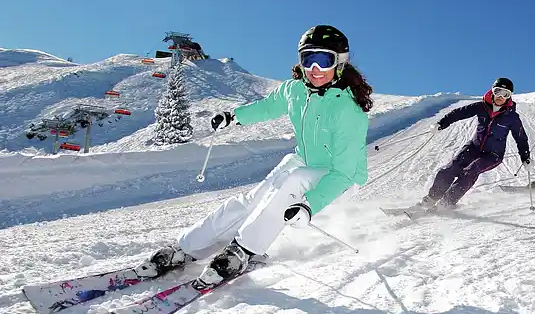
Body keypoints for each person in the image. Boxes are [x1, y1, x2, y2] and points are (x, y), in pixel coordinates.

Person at [135, 25, 373, 288]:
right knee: (252, 199)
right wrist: (234, 117)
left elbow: (344, 172)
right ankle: (186, 247)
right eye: (308, 59)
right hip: (303, 160)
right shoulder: (295, 90)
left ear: (339, 63)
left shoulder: (348, 110)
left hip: (340, 176)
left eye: (324, 60)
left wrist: (310, 204)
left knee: (293, 183)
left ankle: (244, 250)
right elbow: (269, 107)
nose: (315, 69)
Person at [413, 78, 530, 212]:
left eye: (505, 94)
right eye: (498, 92)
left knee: (471, 170)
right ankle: (431, 199)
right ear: (492, 91)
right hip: (474, 147)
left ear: (510, 97)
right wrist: (441, 124)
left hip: (493, 155)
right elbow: (459, 113)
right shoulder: (482, 106)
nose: (500, 97)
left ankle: (446, 203)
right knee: (450, 168)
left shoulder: (512, 117)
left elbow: (520, 138)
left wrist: (525, 157)